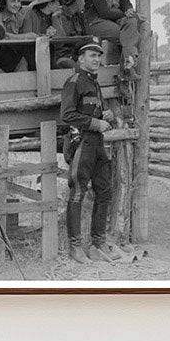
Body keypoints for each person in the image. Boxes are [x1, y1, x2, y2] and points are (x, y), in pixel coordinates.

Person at [59, 38, 119, 266]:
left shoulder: (95, 83)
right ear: (81, 59)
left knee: (104, 191)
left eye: (99, 55)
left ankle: (98, 244)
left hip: (98, 144)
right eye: (92, 55)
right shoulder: (74, 82)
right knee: (78, 193)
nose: (96, 59)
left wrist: (106, 115)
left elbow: (98, 110)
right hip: (81, 143)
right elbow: (67, 115)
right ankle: (75, 247)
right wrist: (95, 123)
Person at [0, 0, 36, 72]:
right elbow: (4, 35)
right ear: (4, 2)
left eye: (19, 1)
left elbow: (32, 35)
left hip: (11, 55)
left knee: (24, 60)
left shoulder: (18, 17)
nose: (17, 5)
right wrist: (23, 36)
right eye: (13, 1)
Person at [50, 0, 90, 67]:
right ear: (77, 0)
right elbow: (59, 42)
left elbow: (86, 36)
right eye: (83, 0)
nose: (85, 3)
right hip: (63, 56)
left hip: (78, 54)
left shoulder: (79, 17)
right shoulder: (58, 16)